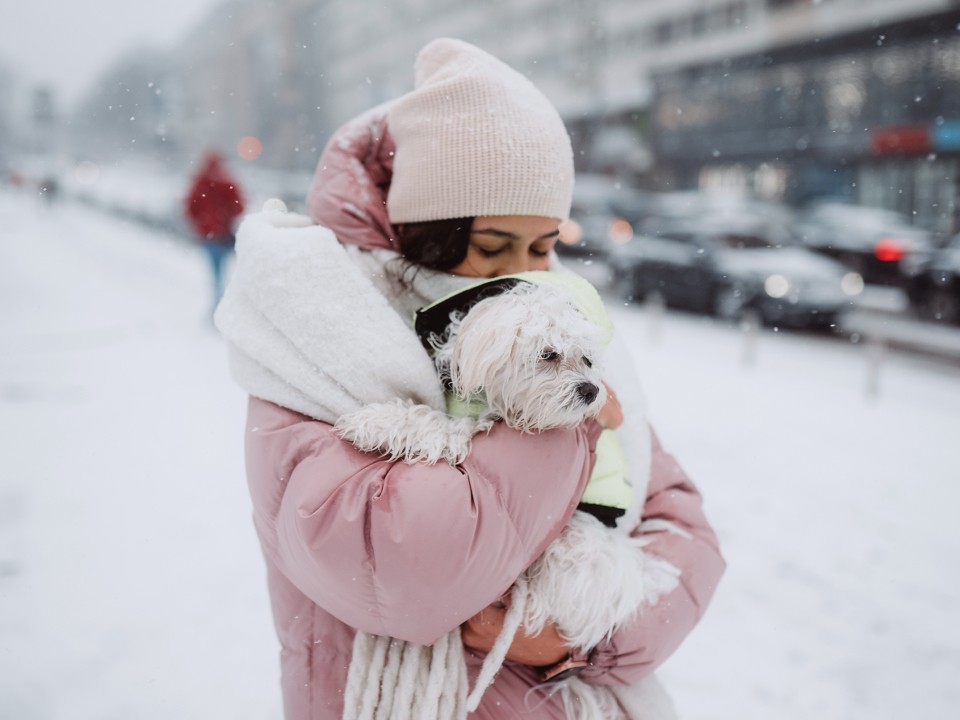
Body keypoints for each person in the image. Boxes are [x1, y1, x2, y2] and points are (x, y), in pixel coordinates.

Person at [215, 38, 725, 719]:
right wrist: (560, 429)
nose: (522, 271)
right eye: (492, 247)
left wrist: (575, 638)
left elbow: (682, 532)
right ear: (428, 231)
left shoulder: (561, 323)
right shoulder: (317, 332)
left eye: (543, 247)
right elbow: (405, 569)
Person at [183, 150, 245, 317]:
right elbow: (239, 206)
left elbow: (189, 208)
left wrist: (200, 224)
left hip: (208, 237)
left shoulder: (200, 183)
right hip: (224, 236)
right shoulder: (227, 182)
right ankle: (224, 307)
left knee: (216, 272)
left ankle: (219, 307)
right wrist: (226, 217)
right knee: (226, 271)